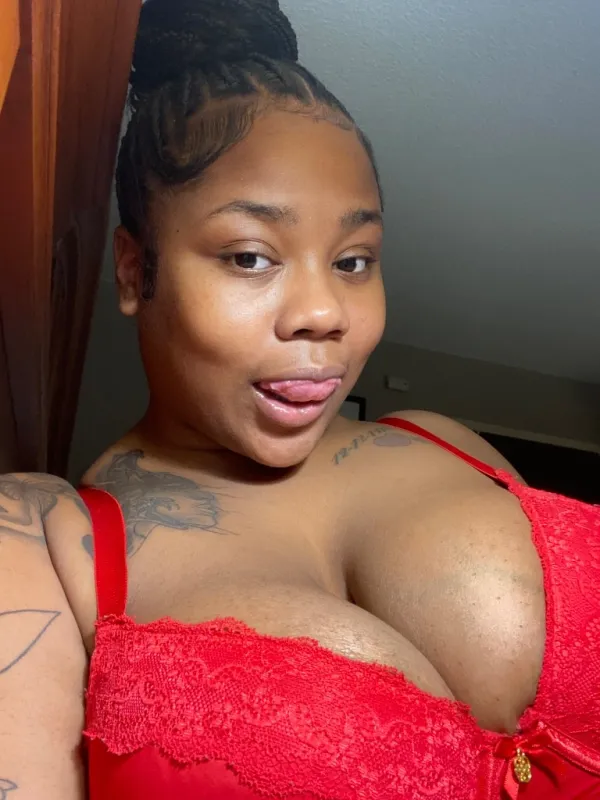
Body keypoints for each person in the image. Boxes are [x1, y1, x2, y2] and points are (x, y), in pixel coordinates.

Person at [1, 0, 599, 797]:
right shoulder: (38, 543)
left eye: (354, 260)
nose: (326, 313)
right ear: (134, 270)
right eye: (251, 256)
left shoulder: (442, 439)